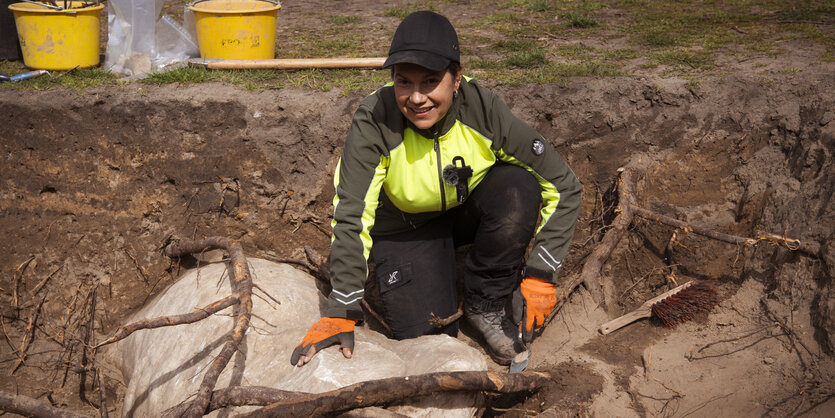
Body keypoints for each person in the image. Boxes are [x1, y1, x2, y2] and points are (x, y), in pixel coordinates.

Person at [291, 11, 581, 367]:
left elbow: (563, 184)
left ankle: (485, 303)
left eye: (430, 81)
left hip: (464, 211)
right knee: (429, 341)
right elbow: (352, 214)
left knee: (517, 186)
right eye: (403, 81)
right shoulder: (374, 121)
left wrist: (541, 274)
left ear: (456, 78)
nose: (416, 98)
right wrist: (342, 306)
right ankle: (434, 278)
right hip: (402, 229)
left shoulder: (483, 109)